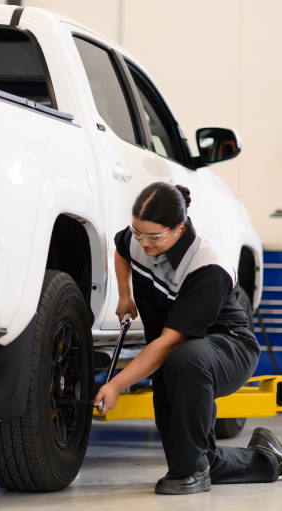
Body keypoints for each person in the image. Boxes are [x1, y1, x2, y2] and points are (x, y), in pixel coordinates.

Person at [93, 182, 282, 495]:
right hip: (180, 356)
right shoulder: (141, 237)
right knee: (191, 453)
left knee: (184, 359)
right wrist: (125, 295)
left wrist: (115, 384)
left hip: (229, 346)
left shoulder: (207, 266)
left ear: (179, 227)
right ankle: (266, 459)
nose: (144, 242)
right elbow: (122, 248)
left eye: (154, 236)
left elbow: (169, 342)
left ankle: (191, 473)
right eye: (138, 231)